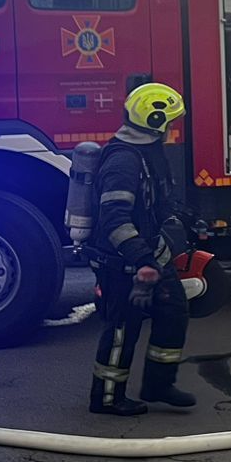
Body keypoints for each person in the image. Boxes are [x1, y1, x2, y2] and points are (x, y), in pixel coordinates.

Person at [88, 82, 195, 416]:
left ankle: (157, 385)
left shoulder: (148, 152)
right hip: (124, 262)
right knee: (123, 328)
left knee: (174, 311)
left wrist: (181, 221)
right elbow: (114, 219)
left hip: (148, 256)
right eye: (171, 122)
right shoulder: (124, 161)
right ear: (156, 121)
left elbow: (156, 203)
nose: (173, 129)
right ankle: (106, 398)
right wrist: (143, 260)